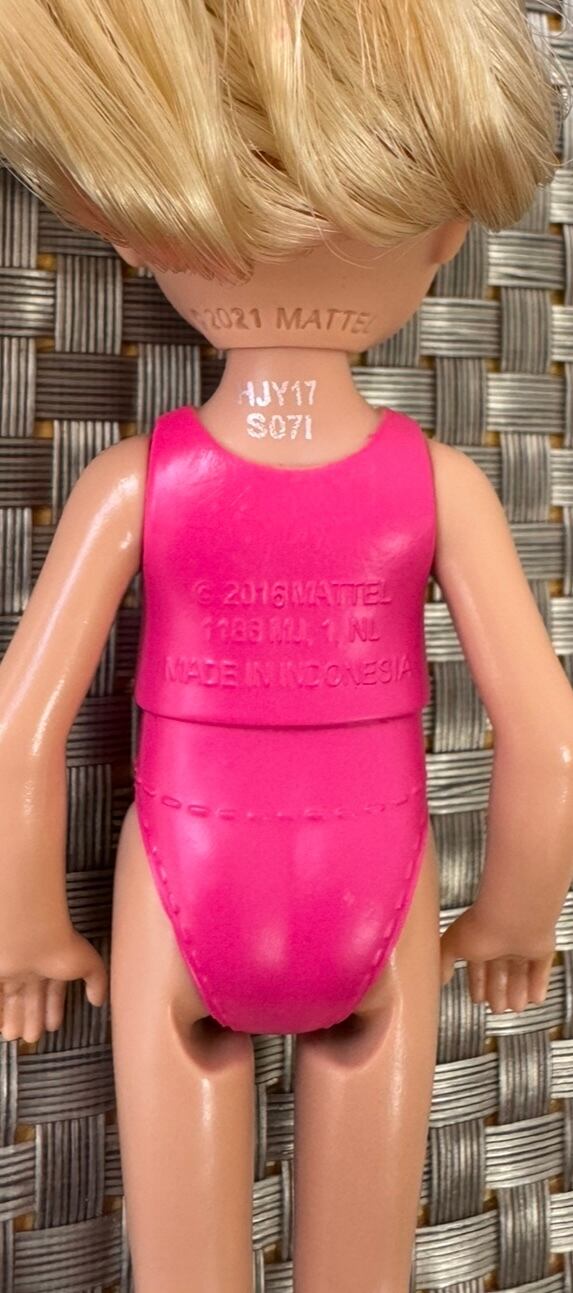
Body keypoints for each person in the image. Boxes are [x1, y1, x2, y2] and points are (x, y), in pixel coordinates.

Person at [0, 3, 571, 1290]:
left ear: (141, 231)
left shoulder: (138, 484)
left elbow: (21, 725)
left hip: (183, 881)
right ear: (448, 238)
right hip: (379, 885)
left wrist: (23, 917)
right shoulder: (440, 487)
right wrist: (518, 908)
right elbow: (548, 736)